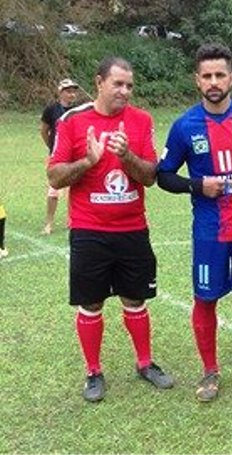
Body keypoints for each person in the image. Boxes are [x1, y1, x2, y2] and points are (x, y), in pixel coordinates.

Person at [157, 43, 232, 402]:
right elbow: (164, 176)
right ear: (197, 80)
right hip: (209, 231)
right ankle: (210, 372)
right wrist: (198, 186)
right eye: (207, 76)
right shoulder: (184, 126)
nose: (214, 82)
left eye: (220, 75)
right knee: (205, 299)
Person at [47, 56, 174, 403]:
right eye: (118, 84)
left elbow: (149, 177)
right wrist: (89, 161)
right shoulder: (72, 120)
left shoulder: (141, 120)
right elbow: (54, 176)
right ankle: (93, 371)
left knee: (136, 298)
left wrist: (127, 155)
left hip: (132, 228)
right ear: (99, 82)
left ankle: (145, 363)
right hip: (89, 230)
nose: (125, 91)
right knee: (91, 302)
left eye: (129, 85)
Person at [40, 78, 80, 235]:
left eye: (73, 91)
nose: (72, 94)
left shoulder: (79, 110)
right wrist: (51, 147)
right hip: (57, 156)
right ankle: (49, 223)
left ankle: (72, 220)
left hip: (75, 155)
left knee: (75, 189)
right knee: (54, 190)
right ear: (60, 92)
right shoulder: (51, 110)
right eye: (68, 91)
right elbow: (44, 130)